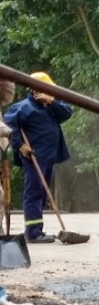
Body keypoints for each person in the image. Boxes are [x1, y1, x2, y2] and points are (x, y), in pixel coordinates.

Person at [2, 72, 73, 244]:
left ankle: (37, 229)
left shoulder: (49, 106)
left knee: (42, 194)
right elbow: (9, 125)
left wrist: (51, 101)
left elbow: (67, 113)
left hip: (49, 157)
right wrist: (21, 146)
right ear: (36, 89)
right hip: (34, 157)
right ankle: (33, 233)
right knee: (33, 194)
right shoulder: (24, 107)